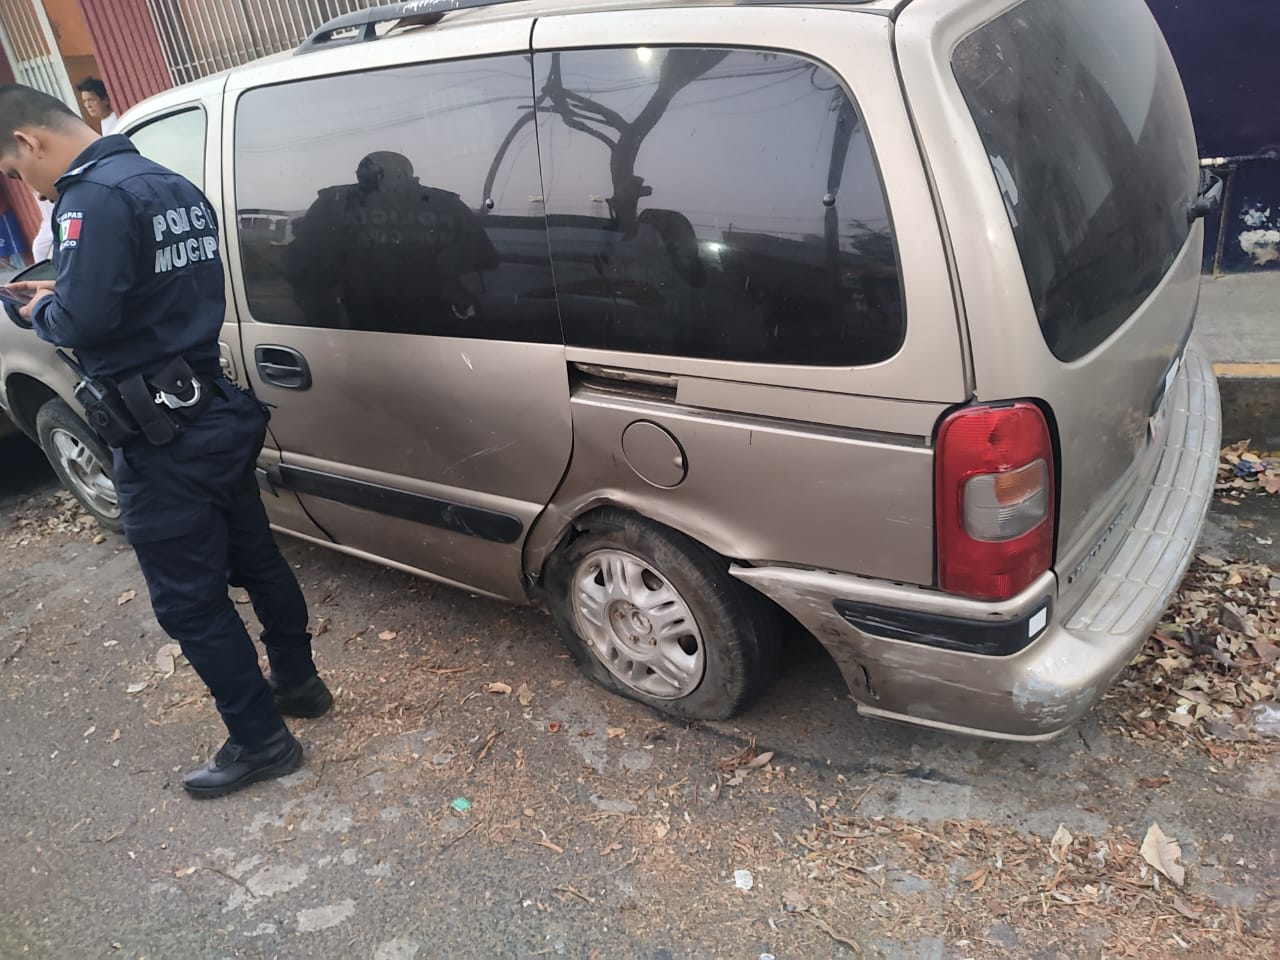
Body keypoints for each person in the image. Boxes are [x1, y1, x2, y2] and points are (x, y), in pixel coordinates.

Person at [0, 84, 332, 799]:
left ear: (28, 142)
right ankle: (299, 683)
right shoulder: (168, 181)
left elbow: (85, 321)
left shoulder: (89, 200)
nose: (20, 182)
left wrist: (42, 310)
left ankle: (260, 739)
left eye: (10, 166)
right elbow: (157, 289)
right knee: (256, 556)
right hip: (212, 409)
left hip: (159, 435)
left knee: (188, 601)